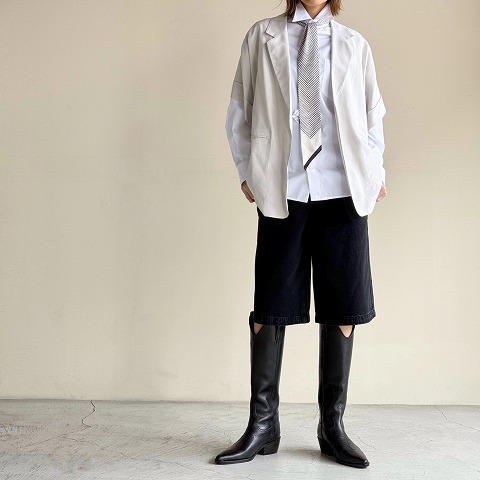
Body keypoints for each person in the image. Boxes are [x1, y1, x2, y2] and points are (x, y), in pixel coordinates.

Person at [215, 0, 387, 469]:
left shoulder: (354, 44)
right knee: (270, 303)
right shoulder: (261, 37)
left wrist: (376, 173)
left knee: (344, 305)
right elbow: (239, 111)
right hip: (283, 187)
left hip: (342, 188)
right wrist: (246, 170)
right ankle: (263, 425)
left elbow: (372, 119)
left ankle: (332, 427)